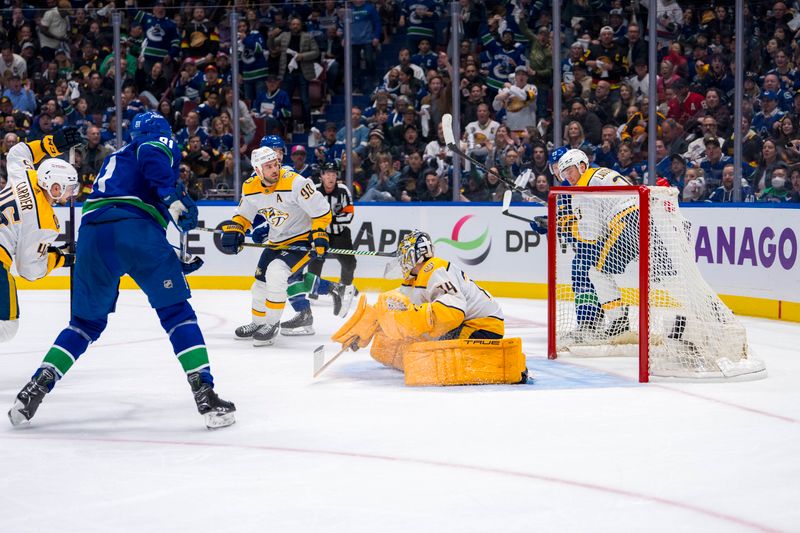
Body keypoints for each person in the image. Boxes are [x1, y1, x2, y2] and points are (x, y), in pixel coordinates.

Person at [7, 112, 236, 430]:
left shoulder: (115, 159)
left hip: (93, 235)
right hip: (135, 231)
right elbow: (149, 161)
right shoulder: (152, 143)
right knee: (176, 313)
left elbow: (122, 211)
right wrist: (174, 199)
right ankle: (205, 393)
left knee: (83, 325)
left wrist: (169, 254)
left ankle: (35, 388)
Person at [330, 230, 526, 386]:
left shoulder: (435, 268)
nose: (401, 259)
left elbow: (453, 312)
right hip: (468, 324)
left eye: (404, 254)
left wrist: (413, 320)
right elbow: (396, 306)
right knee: (410, 341)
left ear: (414, 254)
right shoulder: (414, 279)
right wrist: (368, 327)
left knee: (432, 352)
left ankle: (502, 366)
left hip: (482, 327)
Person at [221, 146, 332, 346]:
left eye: (276, 164)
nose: (274, 169)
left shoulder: (295, 182)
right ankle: (258, 323)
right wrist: (235, 229)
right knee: (259, 283)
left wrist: (320, 234)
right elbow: (243, 215)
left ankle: (272, 325)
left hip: (302, 239)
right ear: (257, 170)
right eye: (269, 166)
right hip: (277, 240)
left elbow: (321, 211)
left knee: (276, 272)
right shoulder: (250, 187)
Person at [551, 148, 648, 341]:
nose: (567, 176)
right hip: (647, 217)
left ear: (581, 166)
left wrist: (566, 224)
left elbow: (592, 234)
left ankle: (618, 320)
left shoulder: (584, 186)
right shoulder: (600, 173)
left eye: (569, 170)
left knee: (596, 271)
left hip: (627, 223)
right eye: (563, 173)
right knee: (659, 276)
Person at [0, 129, 82, 344]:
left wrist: (51, 144)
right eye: (70, 188)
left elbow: (18, 152)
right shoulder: (43, 222)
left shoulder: (26, 175)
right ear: (55, 188)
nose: (72, 194)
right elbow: (30, 270)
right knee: (6, 326)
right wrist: (61, 258)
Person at [306, 161, 358, 316]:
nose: (331, 177)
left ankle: (345, 287)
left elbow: (349, 215)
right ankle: (313, 290)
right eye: (327, 173)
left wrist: (326, 219)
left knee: (350, 264)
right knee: (315, 260)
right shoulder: (314, 191)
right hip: (319, 233)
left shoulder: (343, 190)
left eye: (334, 174)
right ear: (321, 176)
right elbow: (306, 214)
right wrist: (324, 222)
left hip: (340, 234)